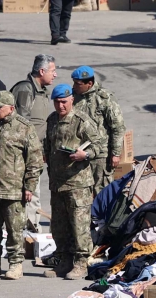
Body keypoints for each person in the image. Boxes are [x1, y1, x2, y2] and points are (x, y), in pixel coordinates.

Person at [0, 91, 44, 280]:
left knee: (14, 229)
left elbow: (35, 160)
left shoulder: (24, 128)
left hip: (13, 191)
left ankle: (15, 264)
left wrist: (29, 186)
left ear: (11, 108)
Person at [42, 84, 101, 280]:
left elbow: (99, 145)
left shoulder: (81, 121)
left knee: (79, 225)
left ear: (71, 100)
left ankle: (81, 262)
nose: (60, 106)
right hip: (57, 183)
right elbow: (48, 145)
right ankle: (64, 260)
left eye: (64, 102)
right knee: (60, 225)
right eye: (57, 102)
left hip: (78, 183)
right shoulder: (52, 120)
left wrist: (86, 154)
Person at [11, 54, 57, 232]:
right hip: (24, 153)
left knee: (34, 193)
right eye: (52, 71)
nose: (55, 75)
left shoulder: (42, 91)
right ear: (42, 71)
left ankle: (32, 230)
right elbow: (22, 125)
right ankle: (27, 232)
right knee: (28, 193)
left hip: (36, 153)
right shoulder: (26, 89)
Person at [71, 66, 126, 196]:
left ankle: (100, 217)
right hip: (78, 152)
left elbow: (118, 127)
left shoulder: (104, 98)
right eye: (73, 82)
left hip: (101, 156)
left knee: (101, 192)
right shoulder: (73, 97)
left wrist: (116, 153)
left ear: (89, 84)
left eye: (77, 84)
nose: (74, 86)